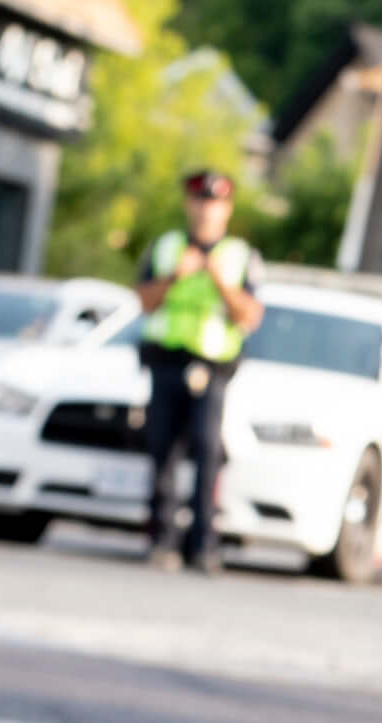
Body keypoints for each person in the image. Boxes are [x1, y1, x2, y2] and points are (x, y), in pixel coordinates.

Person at [133, 169, 264, 573]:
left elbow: (250, 315)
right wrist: (177, 274)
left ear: (227, 208)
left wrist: (220, 281)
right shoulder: (166, 247)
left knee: (208, 454)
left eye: (216, 202)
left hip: (212, 369)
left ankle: (203, 544)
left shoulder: (241, 257)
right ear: (190, 205)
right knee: (162, 453)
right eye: (201, 201)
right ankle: (162, 541)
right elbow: (144, 300)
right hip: (167, 362)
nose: (207, 210)